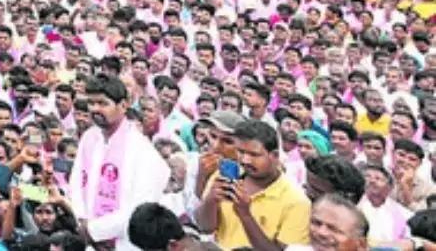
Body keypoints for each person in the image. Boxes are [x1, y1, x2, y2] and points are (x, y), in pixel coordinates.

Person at [66, 77, 169, 251]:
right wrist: (83, 222)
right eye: (91, 103)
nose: (95, 109)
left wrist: (96, 230)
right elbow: (76, 184)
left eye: (102, 103)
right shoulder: (89, 137)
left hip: (124, 243)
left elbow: (141, 207)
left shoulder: (141, 149)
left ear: (123, 105)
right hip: (89, 239)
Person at [196, 120, 311, 251]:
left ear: (274, 156)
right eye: (240, 152)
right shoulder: (224, 177)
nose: (245, 160)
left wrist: (245, 215)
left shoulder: (296, 201)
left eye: (254, 154)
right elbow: (205, 228)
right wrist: (211, 200)